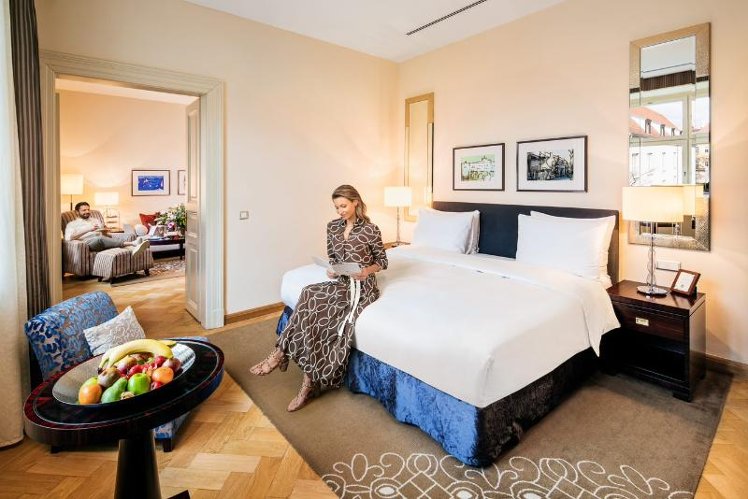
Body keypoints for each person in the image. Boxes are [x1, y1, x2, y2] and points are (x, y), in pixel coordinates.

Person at [250, 185, 388, 411]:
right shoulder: (333, 227)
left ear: (355, 202)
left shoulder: (370, 229)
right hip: (342, 282)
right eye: (336, 207)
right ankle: (287, 360)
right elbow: (333, 258)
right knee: (309, 293)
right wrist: (332, 270)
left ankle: (295, 370)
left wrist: (366, 271)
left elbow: (382, 261)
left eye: (343, 206)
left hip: (361, 288)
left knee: (320, 310)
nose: (340, 211)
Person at [64, 201, 150, 256]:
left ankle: (133, 248)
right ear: (77, 212)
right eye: (84, 210)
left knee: (127, 235)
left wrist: (105, 232)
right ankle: (133, 244)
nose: (87, 212)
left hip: (101, 238)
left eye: (88, 209)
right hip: (88, 243)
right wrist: (88, 229)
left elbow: (104, 234)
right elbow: (69, 238)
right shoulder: (72, 224)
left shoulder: (95, 220)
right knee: (100, 238)